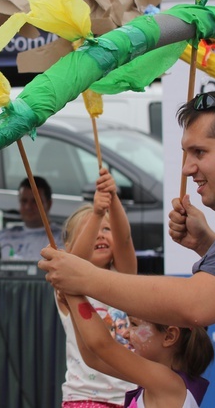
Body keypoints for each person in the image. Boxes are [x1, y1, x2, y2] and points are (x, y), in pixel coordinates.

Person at [39, 87, 215, 405]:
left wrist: (83, 278)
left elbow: (198, 305)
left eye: (199, 152)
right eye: (185, 154)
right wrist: (208, 244)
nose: (186, 168)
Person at [58, 168, 137, 407]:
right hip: (86, 397)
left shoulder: (122, 278)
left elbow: (124, 240)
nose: (100, 235)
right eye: (90, 231)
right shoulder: (66, 285)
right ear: (68, 247)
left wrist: (113, 201)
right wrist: (96, 213)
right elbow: (76, 265)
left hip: (130, 396)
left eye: (106, 229)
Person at [63, 291, 213, 407]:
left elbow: (102, 346)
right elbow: (94, 359)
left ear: (169, 336)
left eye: (134, 325)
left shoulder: (167, 382)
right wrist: (72, 300)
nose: (126, 333)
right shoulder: (153, 382)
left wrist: (73, 288)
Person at [0, 176, 63, 258]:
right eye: (24, 201)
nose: (28, 207)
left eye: (35, 201)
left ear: (49, 204)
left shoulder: (62, 239)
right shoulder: (2, 237)